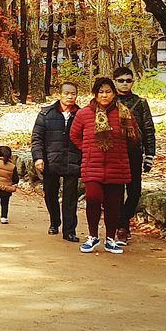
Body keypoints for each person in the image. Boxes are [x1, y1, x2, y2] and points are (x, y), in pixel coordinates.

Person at [68, 77, 138, 254]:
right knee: (93, 199)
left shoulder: (124, 113)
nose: (104, 95)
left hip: (117, 164)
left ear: (114, 94)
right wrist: (89, 148)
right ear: (95, 94)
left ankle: (110, 238)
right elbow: (74, 136)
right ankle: (92, 236)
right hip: (92, 165)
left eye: (108, 91)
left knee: (113, 204)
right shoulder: (84, 114)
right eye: (101, 92)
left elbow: (133, 138)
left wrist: (119, 150)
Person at [32, 82, 83, 241]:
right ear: (59, 94)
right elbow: (37, 138)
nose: (70, 97)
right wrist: (38, 157)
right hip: (51, 160)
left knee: (70, 198)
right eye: (67, 93)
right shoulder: (46, 114)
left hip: (73, 160)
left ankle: (69, 231)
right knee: (51, 194)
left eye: (73, 93)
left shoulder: (81, 114)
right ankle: (55, 221)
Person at [111, 67, 155, 244]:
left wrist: (150, 154)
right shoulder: (109, 102)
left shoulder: (140, 103)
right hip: (114, 153)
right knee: (116, 191)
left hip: (134, 152)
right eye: (121, 80)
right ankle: (121, 227)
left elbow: (149, 129)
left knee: (134, 191)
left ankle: (122, 222)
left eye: (128, 80)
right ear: (115, 81)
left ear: (133, 82)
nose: (124, 84)